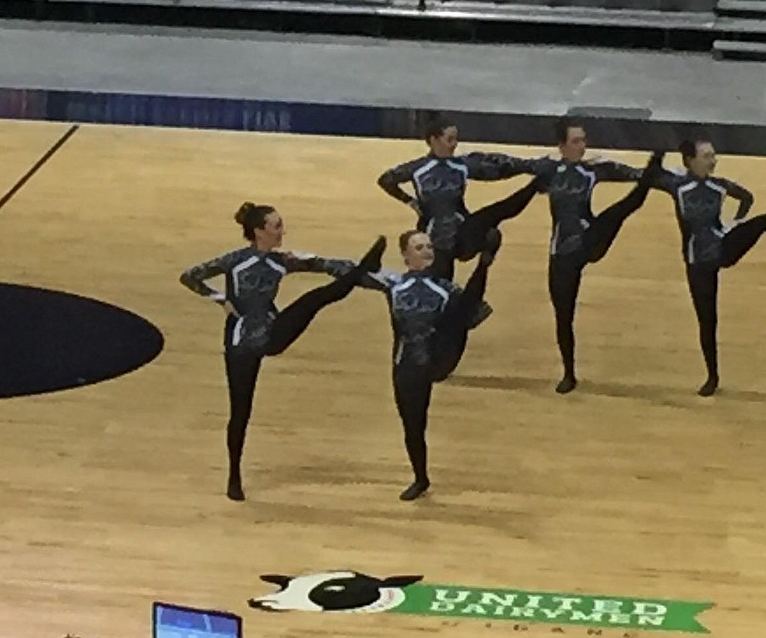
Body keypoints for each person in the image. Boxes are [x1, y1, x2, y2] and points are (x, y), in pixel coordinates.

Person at [180, 201, 386, 501]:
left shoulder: (283, 260)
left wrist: (375, 281)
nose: (282, 231)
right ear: (259, 231)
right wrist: (220, 298)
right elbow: (189, 276)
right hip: (241, 342)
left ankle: (364, 269)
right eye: (277, 226)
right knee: (240, 411)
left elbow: (327, 265)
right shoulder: (234, 260)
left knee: (316, 298)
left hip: (273, 332)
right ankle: (234, 475)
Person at [647, 140, 766, 396]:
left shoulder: (720, 186)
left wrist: (735, 222)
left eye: (713, 155)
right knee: (707, 321)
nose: (713, 161)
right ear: (690, 160)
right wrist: (658, 156)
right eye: (707, 156)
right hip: (698, 263)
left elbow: (747, 198)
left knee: (763, 223)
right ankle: (712, 376)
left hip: (723, 247)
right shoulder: (677, 186)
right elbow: (650, 176)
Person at [358, 228, 500, 501]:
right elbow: (351, 272)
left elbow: (472, 309)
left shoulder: (444, 288)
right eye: (420, 247)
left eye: (429, 246)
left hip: (438, 357)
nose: (428, 251)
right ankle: (420, 478)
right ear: (405, 255)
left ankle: (484, 264)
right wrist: (304, 261)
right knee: (413, 426)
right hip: (408, 365)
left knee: (459, 311)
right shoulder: (394, 283)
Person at [529, 117, 655, 394]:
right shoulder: (549, 170)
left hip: (589, 240)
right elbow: (513, 167)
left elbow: (628, 172)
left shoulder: (593, 170)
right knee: (563, 315)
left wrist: (655, 177)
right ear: (561, 146)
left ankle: (655, 160)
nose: (582, 146)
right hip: (562, 251)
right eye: (576, 141)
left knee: (621, 209)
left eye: (584, 140)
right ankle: (569, 373)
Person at [376, 115, 542, 282]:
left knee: (492, 225)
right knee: (443, 286)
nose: (455, 144)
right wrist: (410, 201)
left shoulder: (461, 164)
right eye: (449, 139)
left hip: (462, 232)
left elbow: (497, 166)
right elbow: (385, 180)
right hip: (435, 238)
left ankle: (536, 184)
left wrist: (529, 165)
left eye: (456, 139)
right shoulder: (418, 168)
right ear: (433, 140)